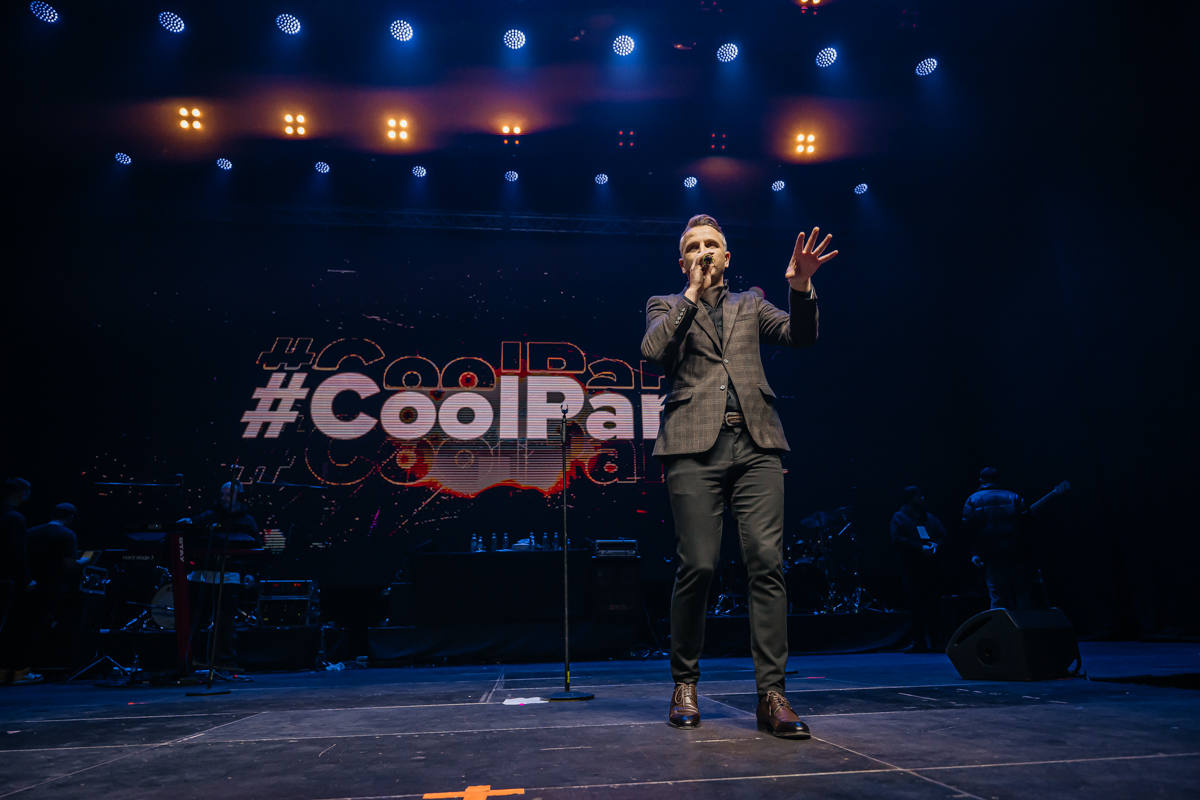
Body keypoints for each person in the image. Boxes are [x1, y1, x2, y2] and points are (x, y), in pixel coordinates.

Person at [642, 214, 837, 739]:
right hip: (691, 446)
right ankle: (684, 684)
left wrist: (801, 287)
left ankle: (772, 695)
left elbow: (800, 336)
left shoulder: (750, 303)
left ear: (727, 257)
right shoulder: (664, 305)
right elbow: (653, 351)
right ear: (682, 261)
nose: (704, 252)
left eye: (712, 245)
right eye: (694, 247)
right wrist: (691, 294)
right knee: (698, 566)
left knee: (766, 564)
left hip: (756, 443)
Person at [178, 481, 258, 669]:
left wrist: (250, 574)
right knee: (196, 622)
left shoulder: (248, 521)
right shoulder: (209, 516)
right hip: (202, 577)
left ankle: (226, 663)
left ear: (239, 497)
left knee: (226, 624)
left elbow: (254, 550)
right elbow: (191, 531)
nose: (224, 498)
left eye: (228, 494)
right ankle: (189, 660)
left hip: (229, 577)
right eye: (222, 494)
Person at [962, 467, 1033, 610]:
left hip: (991, 556)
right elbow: (1029, 524)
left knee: (997, 598)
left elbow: (968, 529)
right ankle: (1026, 624)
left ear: (981, 480)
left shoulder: (973, 500)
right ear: (999, 479)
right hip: (1016, 554)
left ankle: (1001, 625)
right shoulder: (1014, 497)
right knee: (1023, 596)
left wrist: (974, 553)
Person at [890, 487, 947, 653]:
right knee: (916, 606)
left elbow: (943, 535)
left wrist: (936, 545)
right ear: (909, 499)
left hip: (932, 569)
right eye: (918, 496)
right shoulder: (899, 517)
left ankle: (936, 642)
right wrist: (920, 548)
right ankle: (919, 642)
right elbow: (897, 539)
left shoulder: (930, 518)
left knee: (934, 606)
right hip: (912, 569)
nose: (922, 498)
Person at [1, 477, 42, 686]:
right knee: (13, 627)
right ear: (22, 493)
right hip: (7, 581)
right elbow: (17, 553)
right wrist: (26, 579)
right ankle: (17, 672)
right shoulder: (15, 518)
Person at [27, 503, 87, 594]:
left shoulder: (31, 531)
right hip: (52, 587)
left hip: (30, 584)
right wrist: (85, 559)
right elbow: (69, 564)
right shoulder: (68, 534)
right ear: (71, 517)